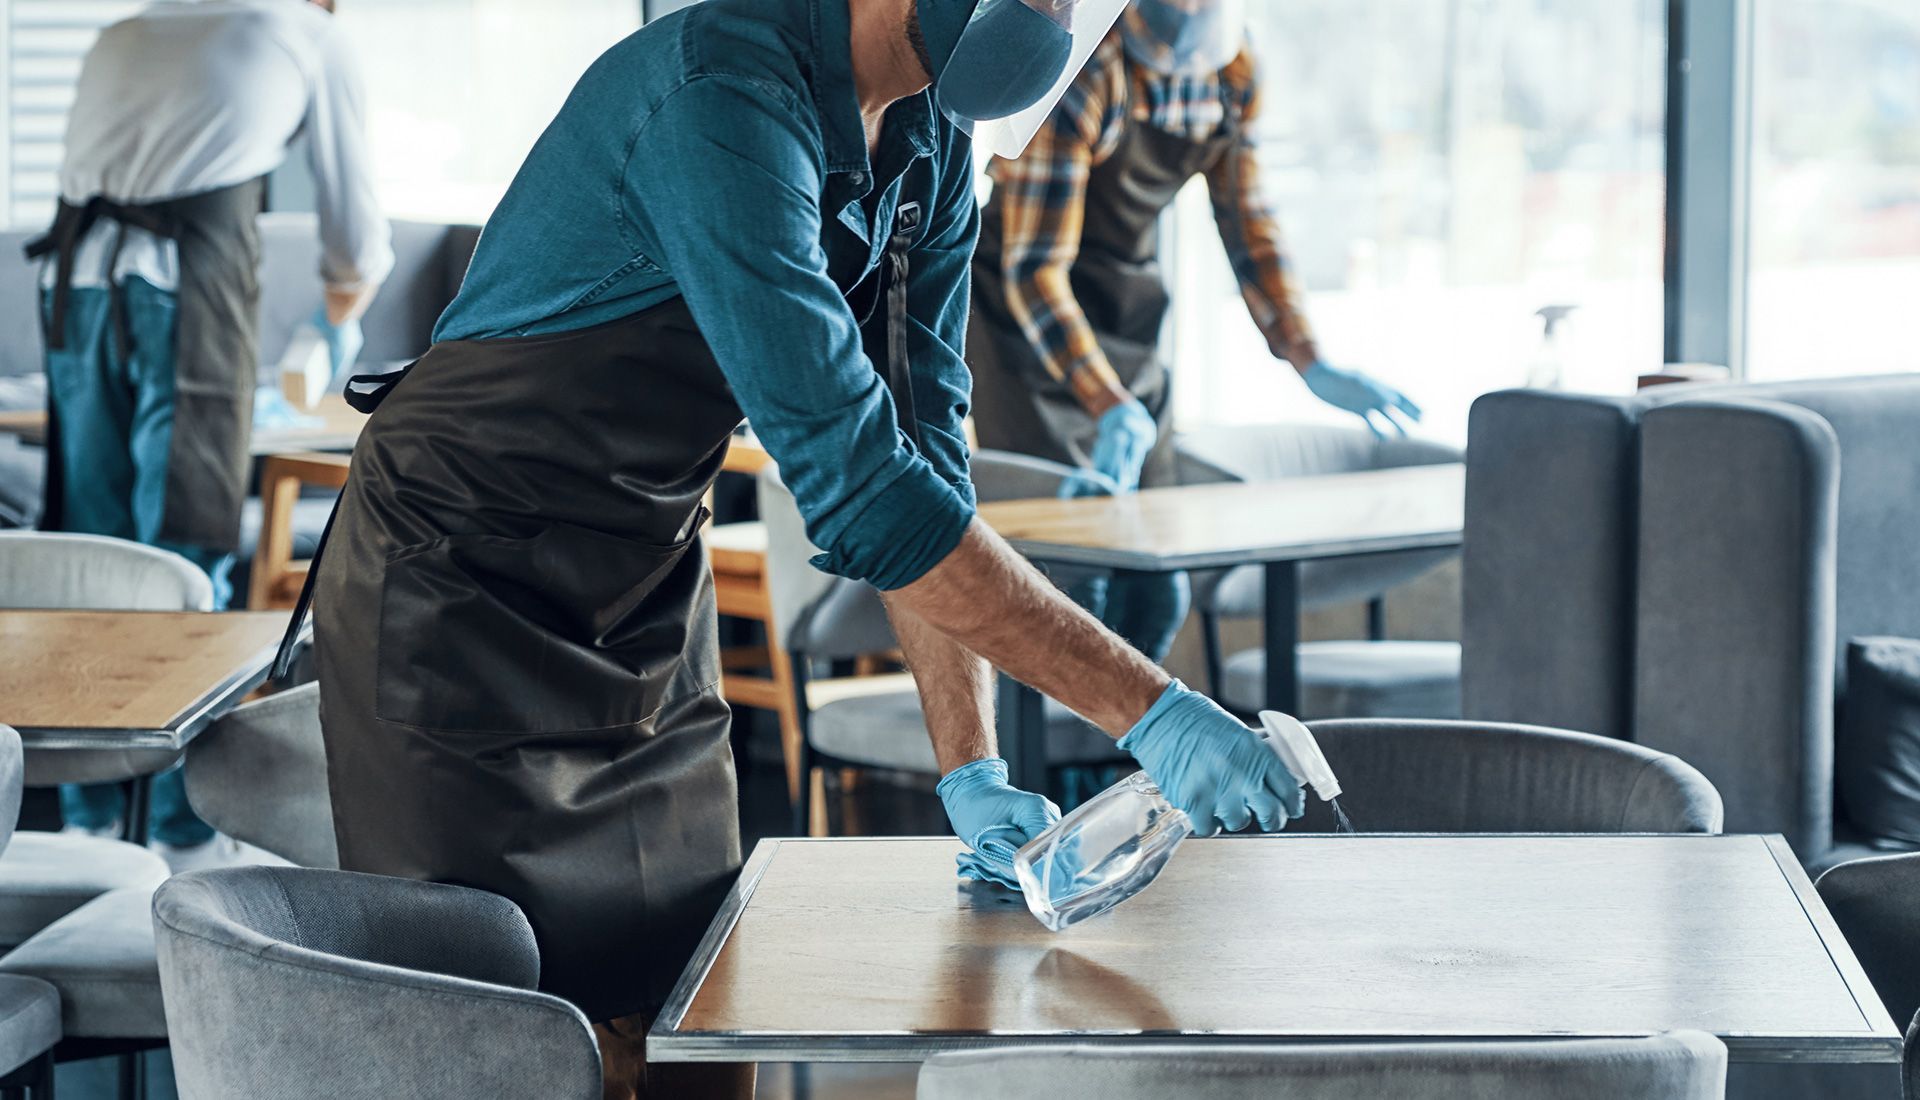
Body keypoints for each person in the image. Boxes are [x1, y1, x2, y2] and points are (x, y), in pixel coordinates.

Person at [308, 0, 1307, 1096]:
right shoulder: (721, 100)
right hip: (455, 587)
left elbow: (925, 464)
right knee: (503, 1035)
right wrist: (1151, 711)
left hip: (638, 585)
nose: (1054, 16)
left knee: (699, 1013)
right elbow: (864, 494)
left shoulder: (930, 141)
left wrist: (971, 766)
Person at [27, 0, 390, 859]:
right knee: (187, 557)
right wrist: (336, 325)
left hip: (74, 289)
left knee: (94, 562)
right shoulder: (312, 33)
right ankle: (187, 840)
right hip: (186, 293)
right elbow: (358, 238)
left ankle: (86, 831)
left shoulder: (123, 31)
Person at [968, 0, 1422, 662]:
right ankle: (1052, 758)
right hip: (1022, 330)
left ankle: (1121, 756)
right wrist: (1108, 402)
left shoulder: (1231, 67)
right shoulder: (1081, 69)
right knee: (1069, 577)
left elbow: (1248, 218)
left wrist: (1306, 355)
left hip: (1128, 310)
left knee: (1155, 580)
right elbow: (1035, 270)